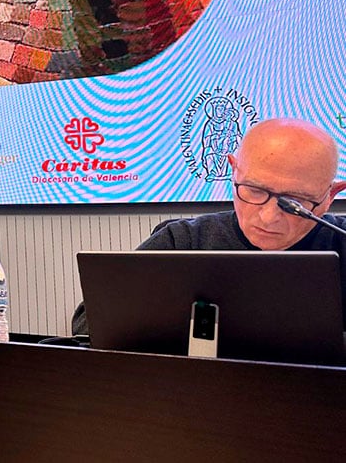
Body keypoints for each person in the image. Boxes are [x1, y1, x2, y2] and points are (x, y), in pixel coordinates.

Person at [72, 117, 346, 335]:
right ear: (234, 171)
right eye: (253, 190)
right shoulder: (183, 242)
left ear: (330, 196)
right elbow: (89, 324)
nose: (268, 217)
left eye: (294, 202)